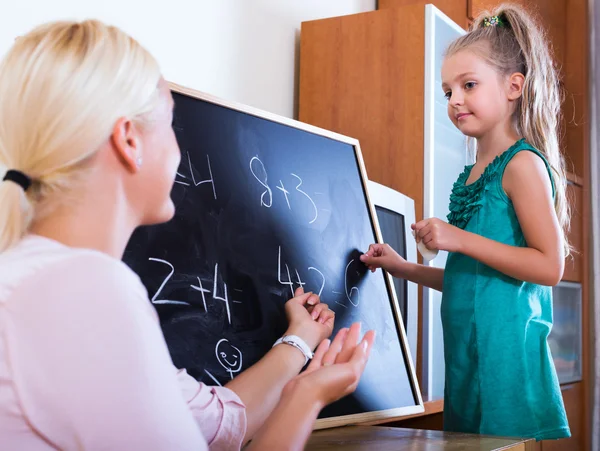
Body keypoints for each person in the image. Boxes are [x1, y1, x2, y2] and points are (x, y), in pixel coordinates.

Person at [0, 19, 375, 450]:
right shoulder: (83, 288)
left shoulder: (39, 275)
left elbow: (217, 422)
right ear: (129, 140)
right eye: (170, 124)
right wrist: (309, 395)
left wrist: (299, 341)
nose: (179, 148)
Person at [361, 3, 570, 441]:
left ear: (514, 86)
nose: (454, 100)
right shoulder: (472, 175)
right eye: (448, 91)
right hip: (468, 362)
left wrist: (457, 238)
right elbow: (470, 279)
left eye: (468, 85)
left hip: (505, 364)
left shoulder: (521, 166)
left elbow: (550, 266)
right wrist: (403, 267)